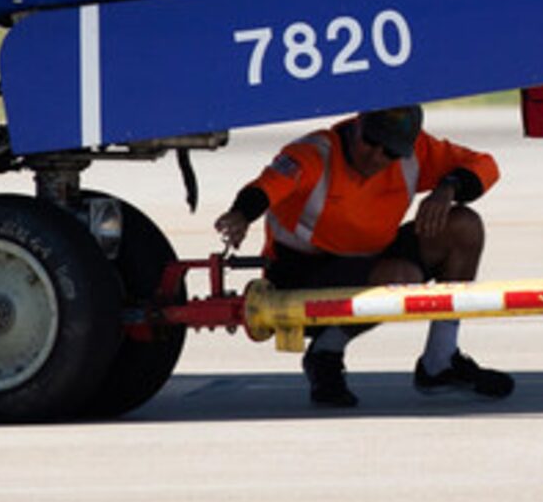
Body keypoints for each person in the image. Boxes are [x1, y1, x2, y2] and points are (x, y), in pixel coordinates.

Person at [213, 103, 515, 406]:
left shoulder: (417, 152)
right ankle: (325, 354)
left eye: (391, 152)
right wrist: (241, 215)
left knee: (464, 225)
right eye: (370, 142)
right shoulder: (316, 154)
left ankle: (440, 361)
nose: (376, 157)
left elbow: (485, 164)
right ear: (357, 125)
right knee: (400, 278)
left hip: (371, 259)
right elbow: (266, 187)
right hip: (302, 277)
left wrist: (448, 188)